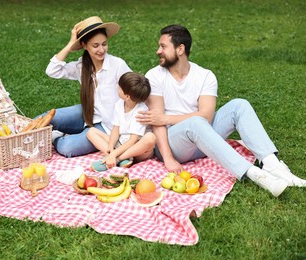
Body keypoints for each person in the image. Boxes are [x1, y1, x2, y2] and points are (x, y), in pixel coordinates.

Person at [137, 24, 306, 197]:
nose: (158, 51)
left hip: (203, 137)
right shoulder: (154, 76)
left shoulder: (205, 76)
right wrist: (168, 158)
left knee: (239, 105)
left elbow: (206, 116)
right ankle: (255, 174)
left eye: (163, 46)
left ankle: (271, 164)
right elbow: (156, 121)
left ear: (180, 49)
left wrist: (166, 118)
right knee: (195, 122)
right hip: (173, 143)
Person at [42, 16, 132, 158]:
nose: (101, 50)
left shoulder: (118, 65)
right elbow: (52, 70)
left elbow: (134, 90)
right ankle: (16, 141)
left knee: (68, 147)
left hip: (106, 127)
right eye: (95, 45)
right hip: (86, 114)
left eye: (104, 44)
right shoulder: (81, 66)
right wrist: (71, 43)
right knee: (46, 118)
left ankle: (55, 137)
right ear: (84, 45)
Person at [87, 72, 156, 171]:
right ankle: (118, 157)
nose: (117, 88)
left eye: (119, 88)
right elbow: (116, 129)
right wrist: (110, 147)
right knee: (91, 132)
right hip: (121, 143)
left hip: (136, 149)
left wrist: (115, 154)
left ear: (127, 96)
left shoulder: (141, 111)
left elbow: (133, 140)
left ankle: (118, 159)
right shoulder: (119, 104)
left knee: (150, 137)